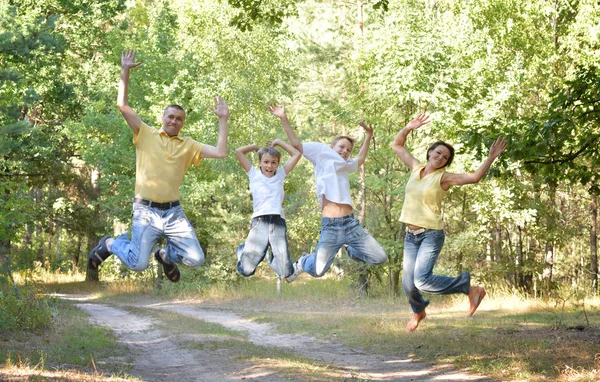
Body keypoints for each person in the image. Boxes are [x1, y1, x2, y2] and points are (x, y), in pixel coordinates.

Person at [87, 50, 229, 282]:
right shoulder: (146, 134)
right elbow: (122, 105)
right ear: (163, 118)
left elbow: (221, 152)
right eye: (170, 116)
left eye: (179, 118)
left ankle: (164, 255)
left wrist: (223, 119)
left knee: (196, 258)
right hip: (146, 211)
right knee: (138, 264)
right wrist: (125, 71)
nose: (174, 121)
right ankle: (113, 243)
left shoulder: (189, 145)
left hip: (173, 213)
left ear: (183, 123)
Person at [392, 113, 507, 331]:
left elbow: (474, 178)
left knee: (422, 280)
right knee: (408, 284)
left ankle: (470, 288)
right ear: (430, 153)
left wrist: (491, 157)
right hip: (411, 235)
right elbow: (397, 145)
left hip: (430, 234)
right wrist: (408, 127)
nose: (440, 157)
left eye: (445, 157)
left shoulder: (444, 178)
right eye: (438, 153)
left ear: (446, 163)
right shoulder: (416, 168)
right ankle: (419, 311)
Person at [270, 103, 388, 282]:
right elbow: (296, 144)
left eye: (348, 149)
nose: (345, 151)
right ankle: (302, 262)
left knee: (380, 257)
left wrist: (369, 135)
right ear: (332, 147)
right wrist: (283, 118)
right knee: (318, 270)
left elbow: (361, 159)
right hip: (331, 226)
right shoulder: (321, 153)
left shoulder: (346, 165)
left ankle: (350, 248)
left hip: (351, 225)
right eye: (341, 147)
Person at [234, 136, 301, 279]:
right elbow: (239, 152)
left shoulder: (281, 175)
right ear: (259, 163)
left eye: (273, 163)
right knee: (246, 271)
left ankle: (269, 255)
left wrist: (279, 143)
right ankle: (242, 251)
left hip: (278, 222)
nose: (269, 166)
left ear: (277, 164)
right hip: (260, 222)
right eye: (266, 162)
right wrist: (254, 146)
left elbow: (296, 154)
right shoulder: (253, 174)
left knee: (285, 273)